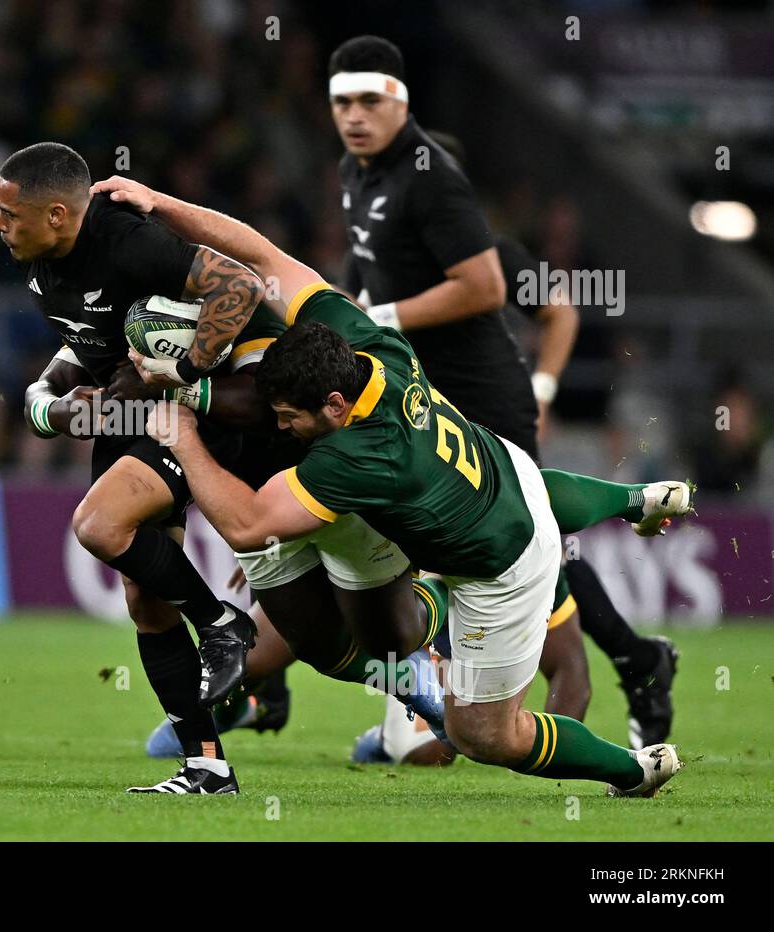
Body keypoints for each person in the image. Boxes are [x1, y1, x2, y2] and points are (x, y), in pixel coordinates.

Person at [97, 175, 689, 797]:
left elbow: (246, 524)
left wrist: (182, 433)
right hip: (499, 470)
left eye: (290, 416)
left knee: (484, 733)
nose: (280, 426)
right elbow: (263, 257)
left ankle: (636, 771)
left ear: (332, 405)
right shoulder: (367, 343)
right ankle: (632, 500)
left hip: (500, 570)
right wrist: (159, 203)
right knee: (505, 513)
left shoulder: (358, 457)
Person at [328, 35, 678, 750]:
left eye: (370, 101)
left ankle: (443, 713)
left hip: (481, 403)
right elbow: (365, 281)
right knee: (519, 546)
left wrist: (543, 384)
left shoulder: (459, 220)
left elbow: (553, 306)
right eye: (343, 102)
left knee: (519, 545)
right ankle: (624, 661)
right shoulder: (361, 180)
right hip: (424, 402)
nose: (355, 117)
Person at [0, 141, 271, 794]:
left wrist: (178, 371)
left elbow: (240, 284)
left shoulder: (128, 243)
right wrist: (54, 409)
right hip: (126, 419)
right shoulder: (39, 263)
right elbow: (80, 342)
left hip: (188, 415)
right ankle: (206, 766)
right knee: (146, 601)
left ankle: (221, 622)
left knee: (97, 525)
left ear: (60, 215)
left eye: (10, 215)